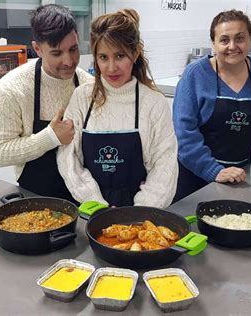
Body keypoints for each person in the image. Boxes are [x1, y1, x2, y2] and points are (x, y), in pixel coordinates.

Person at [57, 9, 178, 208]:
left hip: (141, 215)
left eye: (120, 56)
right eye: (103, 57)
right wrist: (96, 205)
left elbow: (165, 167)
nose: (111, 68)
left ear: (135, 53)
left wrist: (138, 213)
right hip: (91, 210)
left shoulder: (154, 102)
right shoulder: (82, 98)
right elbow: (68, 159)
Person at [172, 9, 251, 202]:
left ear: (250, 39)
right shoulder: (194, 75)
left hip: (240, 177)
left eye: (240, 38)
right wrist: (214, 171)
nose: (232, 46)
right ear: (213, 43)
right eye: (224, 40)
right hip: (194, 179)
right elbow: (184, 135)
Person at [0, 4, 93, 200]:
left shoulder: (89, 85)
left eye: (73, 49)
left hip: (88, 197)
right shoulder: (12, 89)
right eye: (56, 53)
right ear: (37, 49)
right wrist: (50, 137)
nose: (69, 61)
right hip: (35, 198)